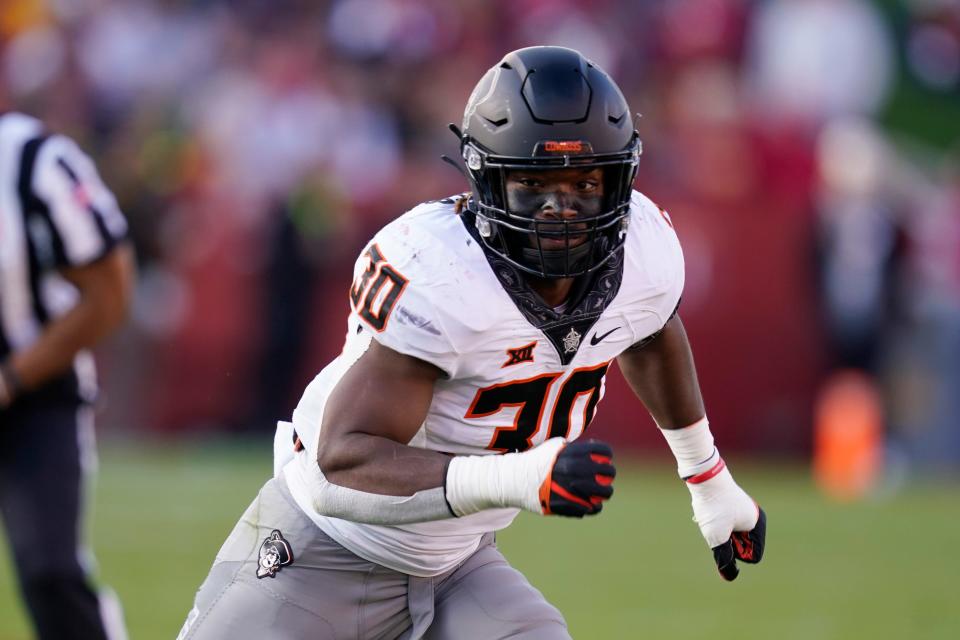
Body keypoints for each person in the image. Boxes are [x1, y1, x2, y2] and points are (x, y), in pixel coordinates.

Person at [179, 46, 767, 640]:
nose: (561, 211)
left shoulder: (644, 249)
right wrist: (515, 478)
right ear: (487, 181)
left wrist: (709, 480)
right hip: (326, 549)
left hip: (456, 562)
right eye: (534, 186)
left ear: (622, 178)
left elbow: (651, 333)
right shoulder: (440, 274)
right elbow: (344, 461)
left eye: (586, 183)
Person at [0, 112, 134, 639]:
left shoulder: (33, 163)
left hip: (35, 390)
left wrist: (11, 377)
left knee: (51, 572)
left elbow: (111, 292)